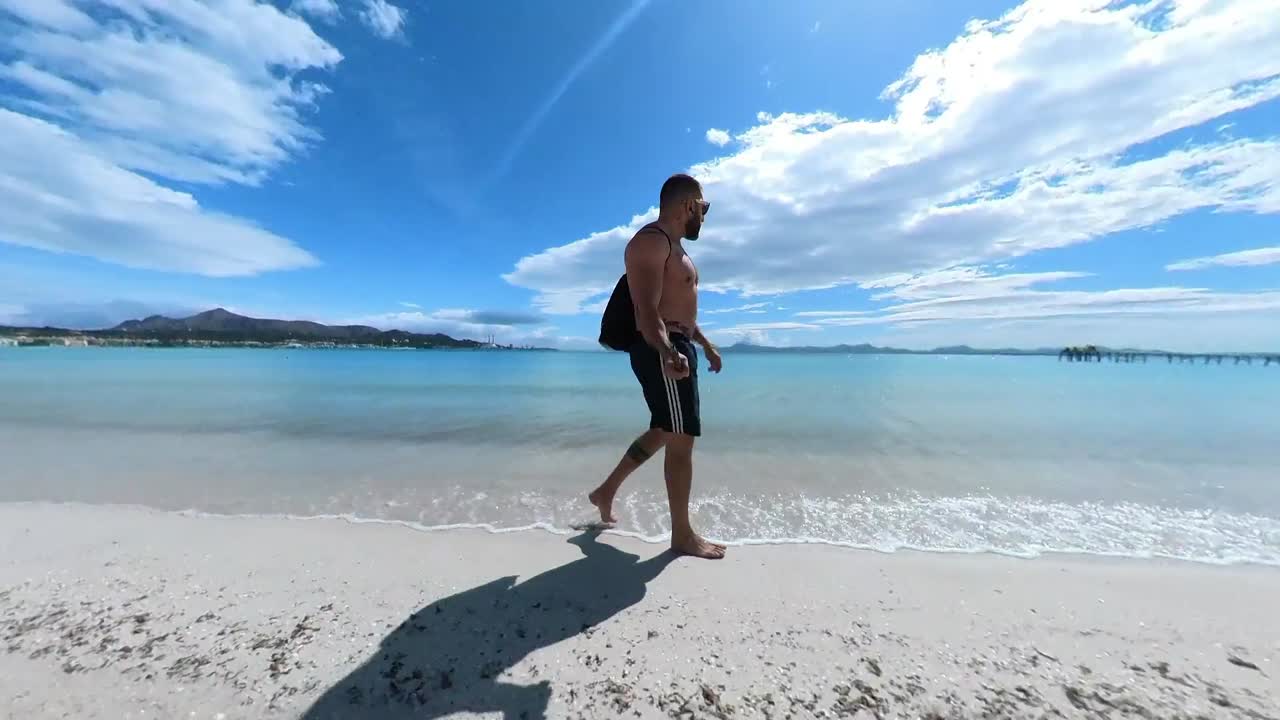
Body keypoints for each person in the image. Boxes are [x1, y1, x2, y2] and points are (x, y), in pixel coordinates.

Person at [588, 173, 726, 559]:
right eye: (704, 207)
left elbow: (679, 313)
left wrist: (707, 347)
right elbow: (647, 311)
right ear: (688, 206)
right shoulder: (650, 243)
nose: (705, 214)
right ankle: (682, 535)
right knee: (681, 441)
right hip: (659, 347)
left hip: (675, 345)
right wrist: (667, 352)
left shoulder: (677, 251)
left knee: (666, 429)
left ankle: (605, 491)